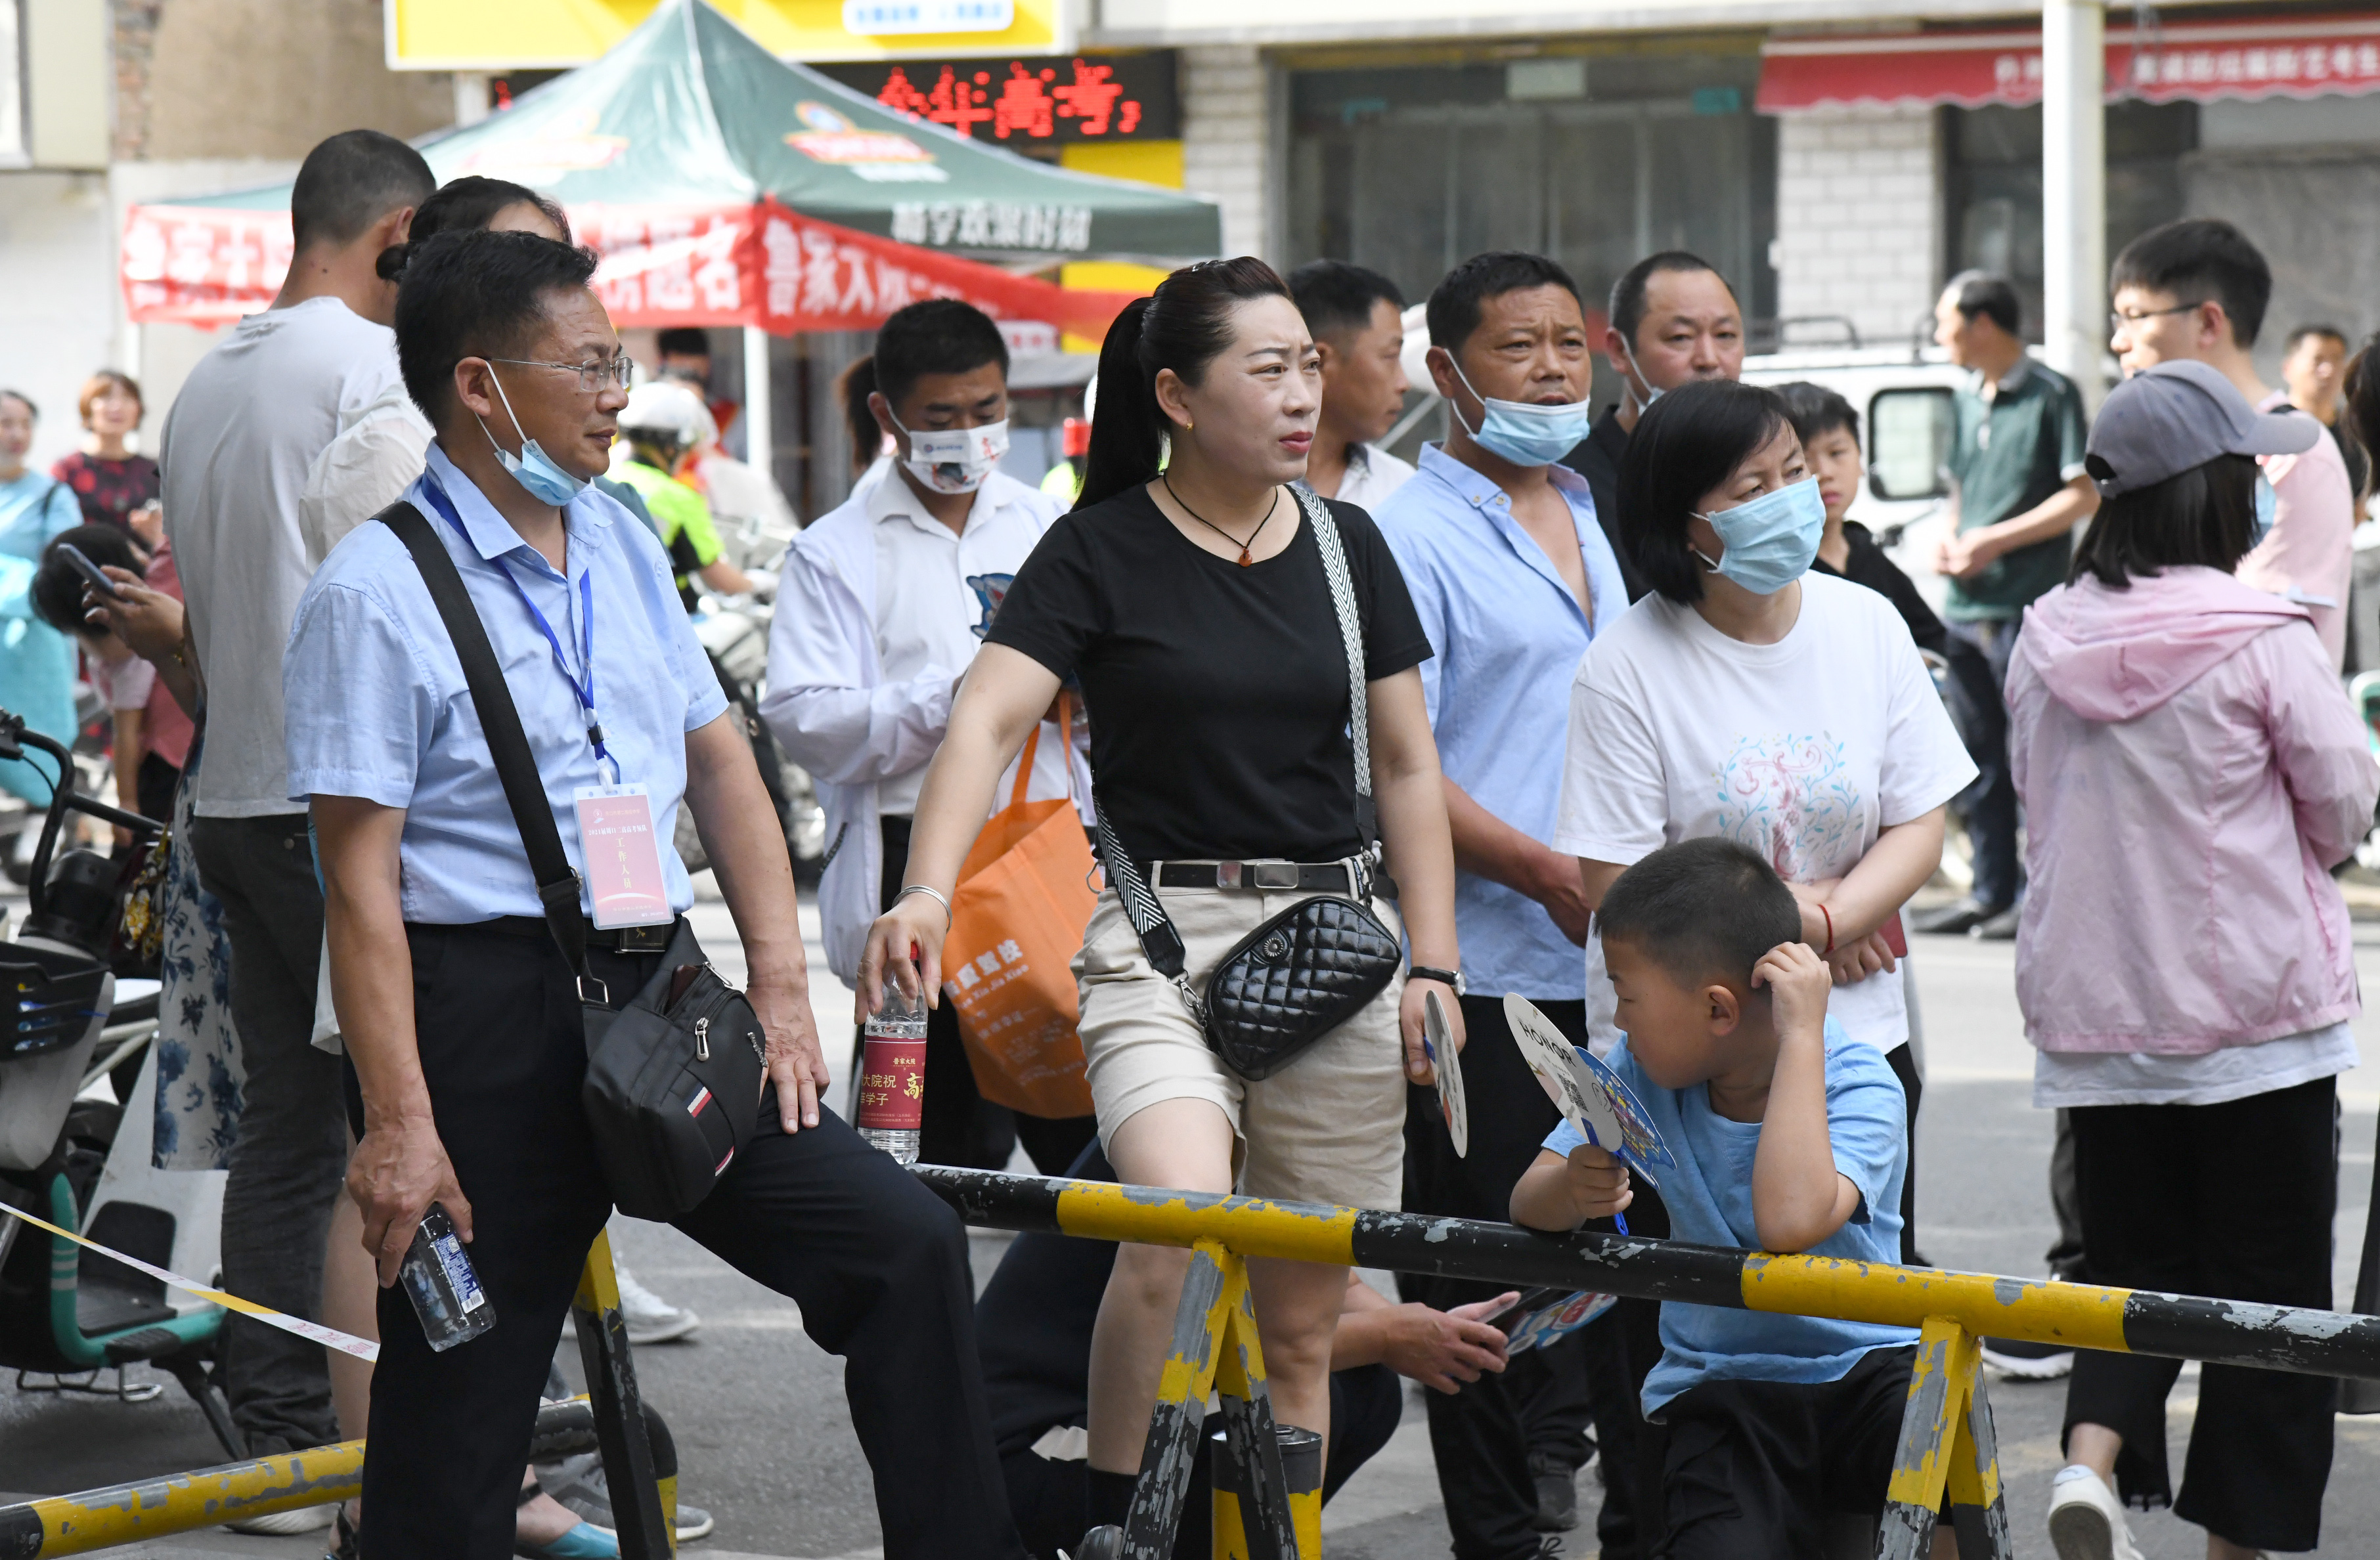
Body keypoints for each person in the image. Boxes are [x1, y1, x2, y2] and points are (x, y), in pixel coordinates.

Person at [289, 227, 1026, 1560]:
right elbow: (358, 889)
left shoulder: (619, 538)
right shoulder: (375, 589)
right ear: (481, 386)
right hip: (483, 1020)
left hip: (656, 989)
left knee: (903, 1248)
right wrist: (400, 1123)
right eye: (593, 365)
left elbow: (723, 764)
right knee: (459, 1430)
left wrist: (783, 995)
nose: (621, 393)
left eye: (618, 361)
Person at [852, 257, 1462, 1559]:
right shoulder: (1099, 549)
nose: (1305, 396)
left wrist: (1440, 969)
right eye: (1269, 369)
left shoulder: (1353, 550)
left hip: (1340, 953)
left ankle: (1267, 1537)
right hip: (1158, 947)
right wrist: (923, 890)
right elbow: (983, 720)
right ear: (1178, 395)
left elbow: (1409, 768)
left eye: (1310, 365)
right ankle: (1125, 1528)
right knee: (1176, 1225)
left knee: (1304, 1322)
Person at [1554, 378, 1975, 1552]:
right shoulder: (1626, 664)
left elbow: (1917, 824)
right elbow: (1616, 888)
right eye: (1750, 487)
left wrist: (1826, 929)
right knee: (1695, 1407)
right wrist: (1791, 929)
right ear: (1684, 523)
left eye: (1794, 470)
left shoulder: (1860, 622)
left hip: (1845, 1032)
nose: (1789, 499)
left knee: (1851, 1335)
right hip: (1684, 1055)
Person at [2004, 359, 2370, 1560]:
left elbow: (2030, 805)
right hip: (2256, 1021)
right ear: (2208, 495)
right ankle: (2236, 1546)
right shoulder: (2260, 640)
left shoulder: (2040, 638)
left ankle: (2087, 1464)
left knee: (2124, 1267)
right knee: (2268, 1296)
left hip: (2099, 1021)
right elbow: (2340, 809)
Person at [154, 127, 435, 1519]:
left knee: (291, 1137)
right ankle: (389, 1443)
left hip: (232, 797)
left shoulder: (206, 375)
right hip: (335, 808)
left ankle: (280, 1445)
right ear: (397, 239)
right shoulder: (371, 373)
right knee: (390, 1134)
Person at [1372, 250, 1627, 1556]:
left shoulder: (1590, 508)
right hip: (1479, 966)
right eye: (1520, 350)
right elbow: (1398, 762)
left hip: (1612, 965)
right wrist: (1541, 869)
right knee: (1481, 1279)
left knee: (1617, 1266)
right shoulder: (1407, 537)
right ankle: (1498, 1533)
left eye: (1570, 347)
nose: (1552, 373)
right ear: (1448, 374)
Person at [1511, 838, 1952, 1560]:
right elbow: (1529, 1203)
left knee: (1945, 1455)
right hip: (1722, 1385)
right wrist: (1572, 1184)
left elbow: (1788, 1221)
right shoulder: (1639, 1072)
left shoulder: (1863, 1086)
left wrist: (1802, 1035)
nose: (1618, 1022)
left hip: (1866, 1372)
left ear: (1718, 1010)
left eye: (1627, 997)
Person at [764, 297, 1095, 1175]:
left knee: (1090, 1137)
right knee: (914, 1165)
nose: (968, 435)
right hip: (912, 874)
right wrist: (963, 702)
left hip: (1043, 854)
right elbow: (808, 722)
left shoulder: (1048, 531)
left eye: (986, 413)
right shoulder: (835, 552)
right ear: (887, 415)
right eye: (941, 418)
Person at [980, 1138, 1508, 1559]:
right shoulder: (1184, 1137)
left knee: (1364, 1386)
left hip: (1063, 1429)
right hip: (1033, 1451)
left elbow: (1327, 1283)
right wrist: (1390, 1336)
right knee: (1338, 1386)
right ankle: (1132, 1541)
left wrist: (1426, 1328)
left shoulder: (1261, 1116)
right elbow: (1204, 1345)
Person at [1907, 270, 2096, 942]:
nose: (1939, 335)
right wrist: (1954, 538)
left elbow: (2084, 495)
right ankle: (1991, 892)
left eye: (1945, 321)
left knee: (2034, 758)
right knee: (1978, 756)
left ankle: (2038, 899)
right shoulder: (1964, 396)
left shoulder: (2052, 394)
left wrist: (1995, 541)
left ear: (1983, 323)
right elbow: (1958, 486)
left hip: (2027, 606)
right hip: (1965, 603)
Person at [2109, 219, 2354, 670]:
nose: (2118, 340)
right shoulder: (2171, 448)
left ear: (2208, 322)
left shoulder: (2294, 452)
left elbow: (2257, 642)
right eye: (2117, 318)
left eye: (2136, 316)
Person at [300, 177, 575, 567]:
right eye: (523, 271)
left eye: (561, 268)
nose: (556, 298)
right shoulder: (382, 454)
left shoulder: (548, 450)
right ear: (445, 286)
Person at [1562, 251, 1746, 602]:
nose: (1709, 359)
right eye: (1680, 337)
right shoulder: (1570, 486)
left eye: (1725, 335)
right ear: (1619, 351)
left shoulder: (1758, 474)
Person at [30, 525, 192, 827]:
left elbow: (125, 735)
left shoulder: (135, 659)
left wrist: (126, 805)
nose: (89, 652)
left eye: (86, 637)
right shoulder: (160, 570)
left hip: (165, 774)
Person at [1775, 383, 1950, 658]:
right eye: (1803, 462)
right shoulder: (1776, 570)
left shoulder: (1868, 554)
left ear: (1861, 460)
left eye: (1837, 453)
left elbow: (1932, 642)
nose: (1824, 473)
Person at [0, 389, 83, 806]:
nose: (16, 434)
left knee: (35, 753)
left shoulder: (53, 495)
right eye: (5, 423)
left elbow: (63, 575)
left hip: (30, 654)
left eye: (25, 424)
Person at [611, 381, 757, 609]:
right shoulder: (678, 497)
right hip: (659, 611)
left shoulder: (604, 478)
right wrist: (757, 585)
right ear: (671, 448)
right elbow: (719, 578)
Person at [1288, 259, 1415, 508]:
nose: (1404, 383)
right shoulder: (1243, 486)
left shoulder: (1402, 490)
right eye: (1390, 356)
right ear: (1320, 362)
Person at [52, 371, 161, 541]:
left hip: (142, 566)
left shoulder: (152, 471)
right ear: (88, 407)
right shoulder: (67, 470)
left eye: (126, 398)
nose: (117, 406)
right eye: (106, 397)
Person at [2280, 323, 2368, 507]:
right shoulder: (2271, 428)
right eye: (2317, 360)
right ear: (2288, 368)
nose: (2328, 371)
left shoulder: (2355, 435)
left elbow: (2357, 502)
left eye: (2337, 360)